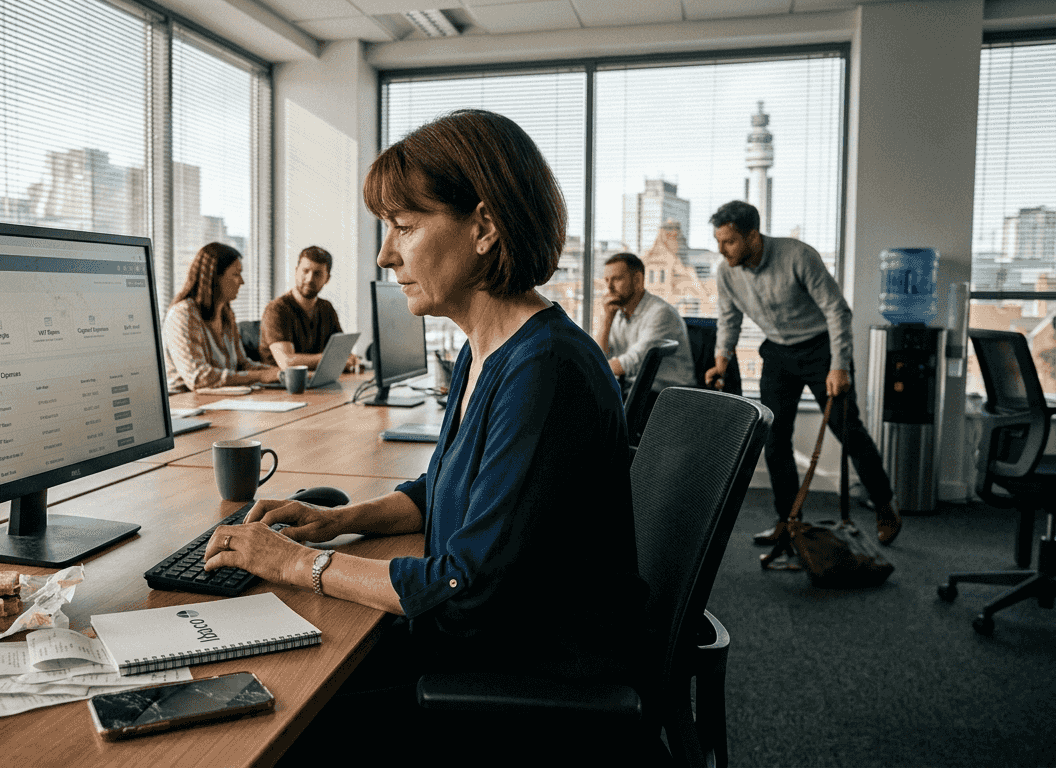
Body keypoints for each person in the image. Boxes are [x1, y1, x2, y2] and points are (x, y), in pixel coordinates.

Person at [200, 109, 645, 757]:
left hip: (517, 679)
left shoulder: (544, 371)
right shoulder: (486, 349)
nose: (385, 254)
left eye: (404, 227)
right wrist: (335, 519)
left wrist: (298, 563)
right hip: (484, 650)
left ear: (485, 227)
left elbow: (467, 590)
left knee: (259, 717)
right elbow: (441, 488)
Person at [705, 200, 902, 546]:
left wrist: (839, 365)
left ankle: (885, 504)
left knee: (848, 430)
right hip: (779, 353)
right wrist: (722, 359)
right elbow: (729, 318)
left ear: (753, 235)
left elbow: (837, 311)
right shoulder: (726, 272)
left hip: (821, 349)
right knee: (775, 439)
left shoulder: (797, 255)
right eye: (718, 241)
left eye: (729, 241)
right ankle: (789, 520)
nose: (721, 250)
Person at [162, 242, 279, 393]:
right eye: (236, 274)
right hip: (186, 402)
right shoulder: (183, 314)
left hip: (223, 399)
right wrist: (261, 376)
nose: (241, 281)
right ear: (214, 278)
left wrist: (281, 373)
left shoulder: (226, 314)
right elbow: (198, 378)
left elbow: (242, 364)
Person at [596, 252, 695, 403]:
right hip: (636, 390)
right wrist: (607, 320)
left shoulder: (660, 313)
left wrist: (591, 368)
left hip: (667, 397)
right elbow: (601, 356)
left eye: (616, 279)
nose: (609, 287)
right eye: (607, 280)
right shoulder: (618, 312)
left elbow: (631, 364)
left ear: (637, 280)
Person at [258, 245, 357, 371]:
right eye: (305, 271)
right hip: (280, 386)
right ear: (296, 271)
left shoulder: (326, 308)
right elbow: (287, 362)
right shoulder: (276, 309)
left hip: (315, 382)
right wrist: (332, 359)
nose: (310, 279)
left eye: (317, 274)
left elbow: (341, 351)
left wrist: (349, 358)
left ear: (327, 279)